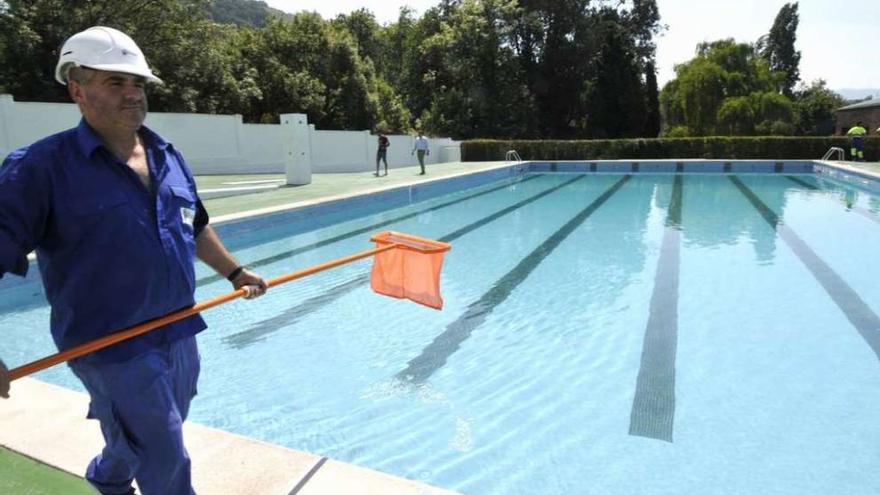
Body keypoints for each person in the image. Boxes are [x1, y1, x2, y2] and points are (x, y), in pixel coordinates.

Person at [0, 26, 268, 495]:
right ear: (77, 90)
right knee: (166, 455)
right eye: (115, 83)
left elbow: (195, 224)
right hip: (109, 345)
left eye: (137, 83)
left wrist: (234, 272)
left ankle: (108, 476)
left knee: (153, 432)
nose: (132, 94)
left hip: (179, 328)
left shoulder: (168, 155)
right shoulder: (38, 169)